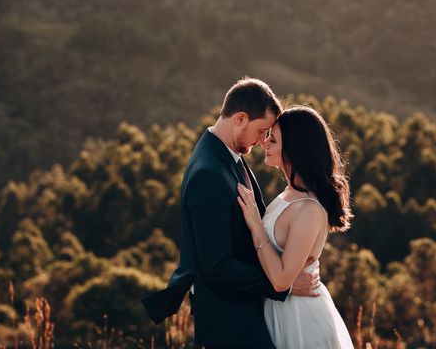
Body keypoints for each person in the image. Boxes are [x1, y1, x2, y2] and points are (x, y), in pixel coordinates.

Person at [142, 77, 320, 348]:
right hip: (228, 318)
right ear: (240, 119)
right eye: (262, 130)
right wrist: (284, 286)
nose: (263, 141)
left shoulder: (226, 156)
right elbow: (217, 267)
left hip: (244, 311)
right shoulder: (209, 173)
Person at [237, 105, 354, 349]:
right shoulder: (289, 194)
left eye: (274, 139)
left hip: (301, 320)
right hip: (280, 312)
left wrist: (256, 226)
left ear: (295, 150)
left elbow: (281, 280)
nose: (264, 143)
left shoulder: (309, 209)